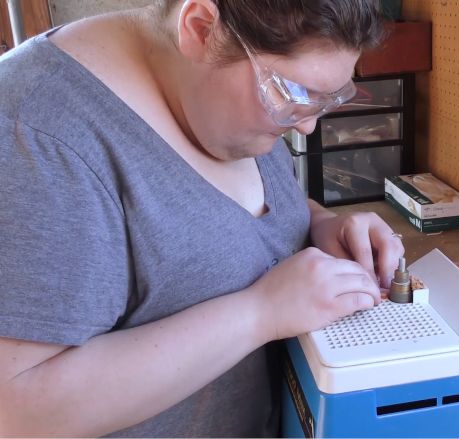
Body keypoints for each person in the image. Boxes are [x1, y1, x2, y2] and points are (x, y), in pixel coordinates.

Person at [0, 0, 403, 436]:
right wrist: (259, 313)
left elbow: (210, 218)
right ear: (201, 27)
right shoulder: (35, 137)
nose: (306, 128)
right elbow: (16, 410)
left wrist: (321, 225)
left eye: (327, 101)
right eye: (294, 94)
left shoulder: (219, 94)